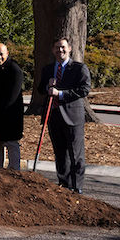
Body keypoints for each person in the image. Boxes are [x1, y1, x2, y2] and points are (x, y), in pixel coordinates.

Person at [39, 38, 91, 193]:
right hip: (53, 116)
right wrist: (47, 86)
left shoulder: (78, 68)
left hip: (72, 117)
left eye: (62, 47)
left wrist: (60, 94)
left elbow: (84, 89)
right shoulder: (48, 69)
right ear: (52, 50)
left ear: (69, 48)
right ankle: (63, 185)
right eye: (56, 48)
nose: (59, 50)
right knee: (60, 153)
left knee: (76, 154)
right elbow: (40, 89)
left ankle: (76, 188)